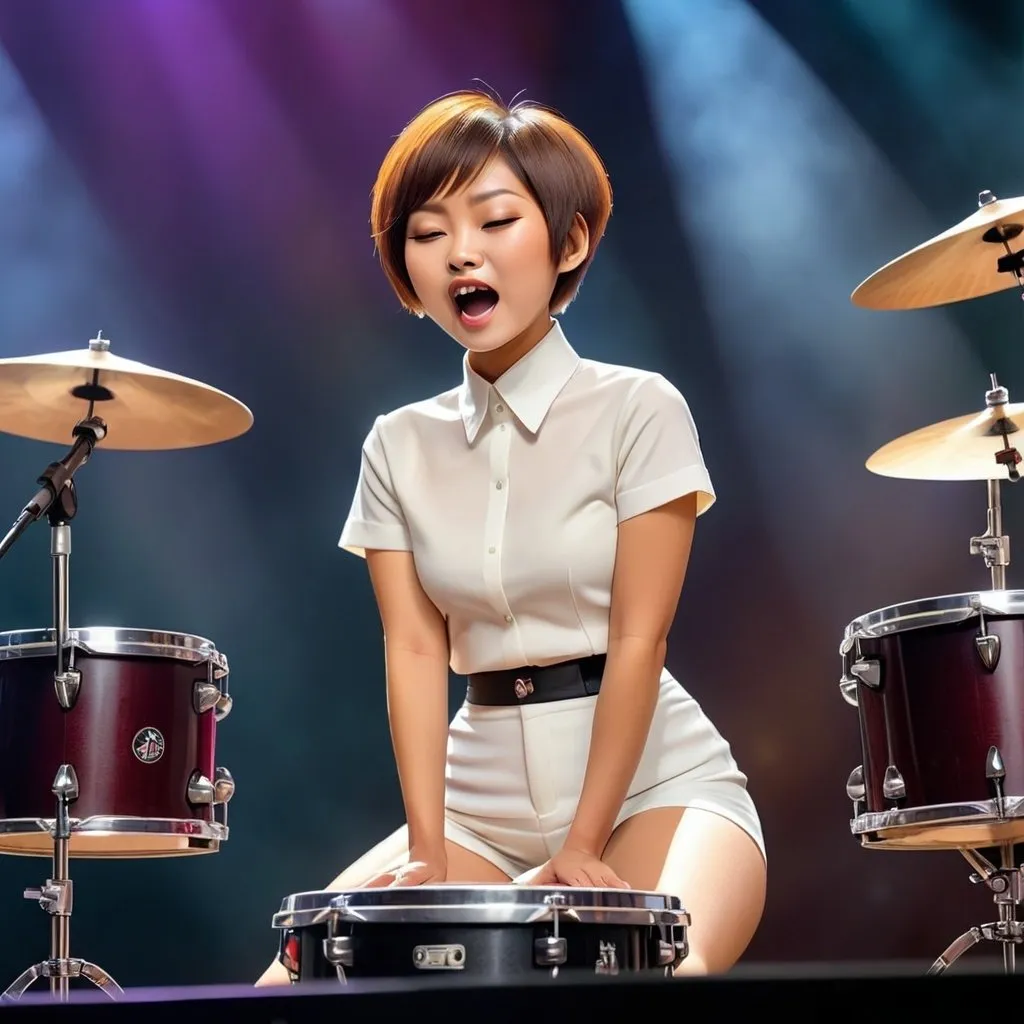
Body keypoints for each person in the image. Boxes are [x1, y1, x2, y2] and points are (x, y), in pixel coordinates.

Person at [257, 89, 765, 985]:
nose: (461, 253)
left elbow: (638, 640)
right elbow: (414, 652)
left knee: (657, 979)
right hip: (475, 806)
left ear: (568, 242)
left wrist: (578, 844)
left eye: (495, 221)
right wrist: (426, 850)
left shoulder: (637, 408)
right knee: (290, 984)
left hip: (656, 788)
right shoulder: (397, 443)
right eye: (427, 233)